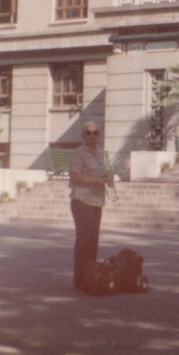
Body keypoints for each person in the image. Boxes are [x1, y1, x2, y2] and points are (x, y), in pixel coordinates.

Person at [69, 123, 115, 291]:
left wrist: (108, 178)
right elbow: (75, 177)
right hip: (82, 201)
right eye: (89, 133)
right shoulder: (79, 153)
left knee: (93, 241)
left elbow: (101, 173)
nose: (92, 136)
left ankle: (90, 277)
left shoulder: (99, 153)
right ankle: (80, 280)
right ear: (83, 135)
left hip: (96, 201)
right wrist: (97, 181)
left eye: (96, 133)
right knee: (84, 241)